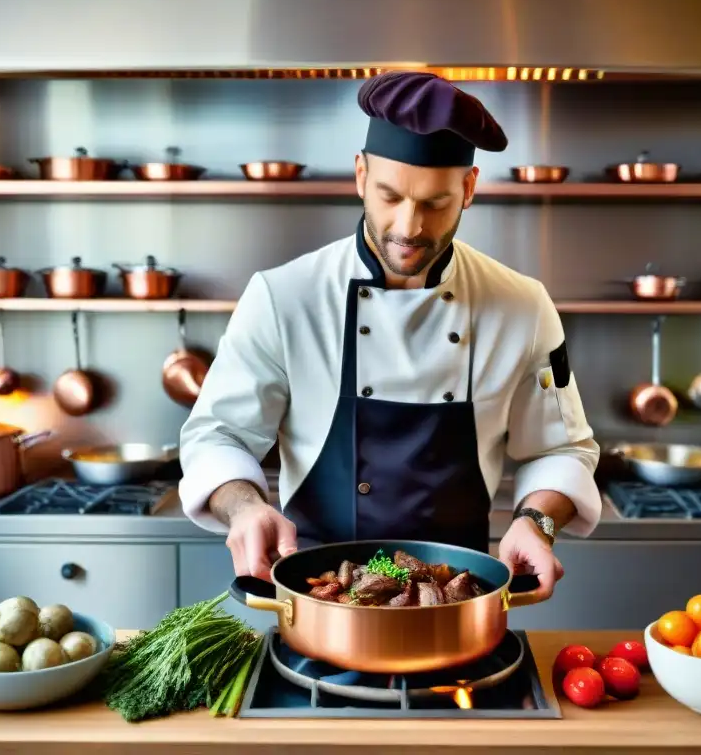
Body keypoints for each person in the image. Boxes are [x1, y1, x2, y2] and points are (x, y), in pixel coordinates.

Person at [178, 71, 601, 603]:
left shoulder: (521, 306)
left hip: (455, 602)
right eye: (389, 195)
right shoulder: (283, 297)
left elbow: (562, 447)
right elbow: (218, 435)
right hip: (318, 600)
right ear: (360, 175)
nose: (409, 226)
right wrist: (244, 508)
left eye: (435, 203)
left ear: (468, 189)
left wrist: (536, 521)